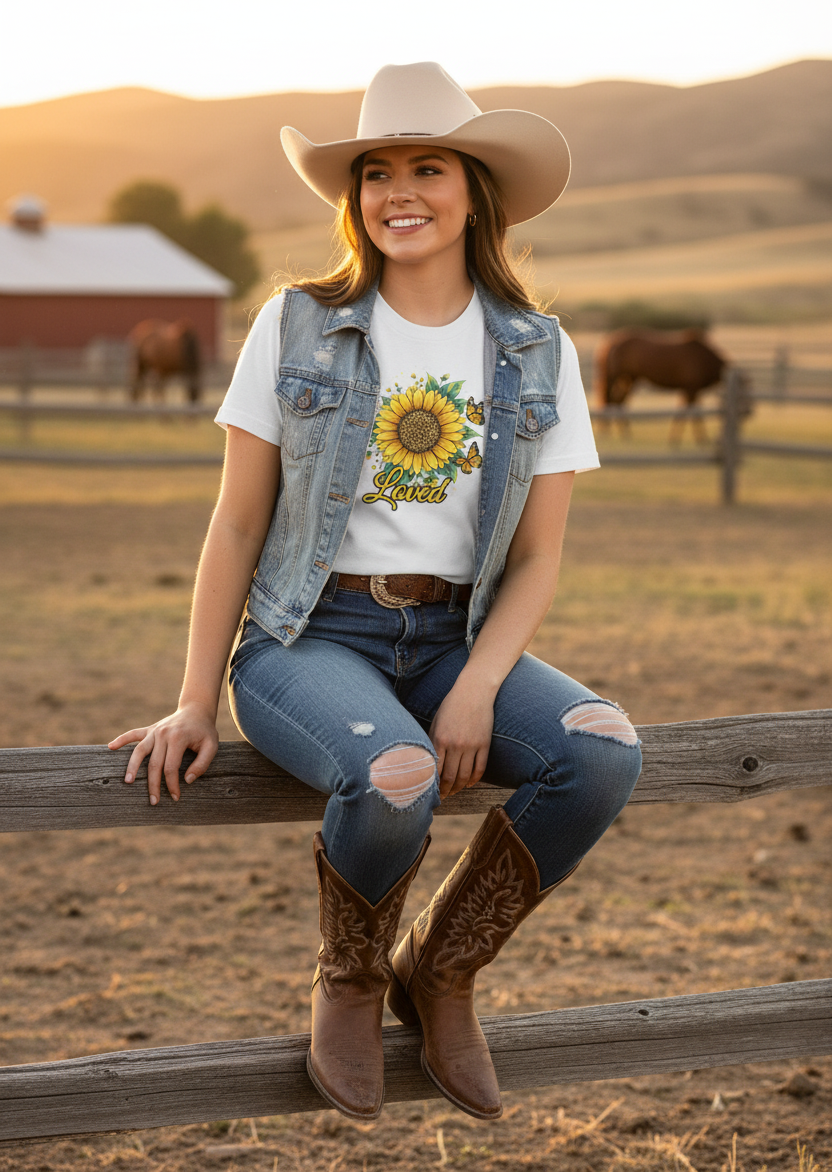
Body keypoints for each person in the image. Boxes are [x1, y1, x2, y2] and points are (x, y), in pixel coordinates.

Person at [109, 62, 642, 1123]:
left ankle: (439, 970)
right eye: (376, 171)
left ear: (473, 189)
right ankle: (350, 977)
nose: (400, 190)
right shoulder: (296, 324)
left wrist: (482, 681)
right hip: (308, 636)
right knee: (394, 772)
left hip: (456, 635)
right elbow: (237, 522)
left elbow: (538, 556)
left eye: (428, 166)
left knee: (599, 749)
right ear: (352, 196)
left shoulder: (538, 350)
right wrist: (192, 698)